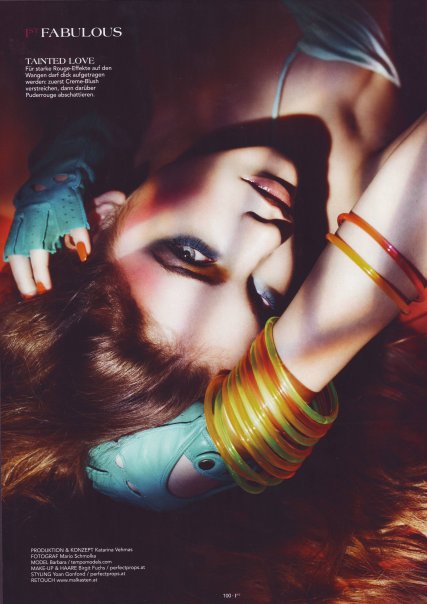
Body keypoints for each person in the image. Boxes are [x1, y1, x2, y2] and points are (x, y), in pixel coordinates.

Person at [1, 1, 426, 601]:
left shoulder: (49, 167)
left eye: (191, 254)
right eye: (266, 297)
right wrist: (280, 387)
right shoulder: (348, 198)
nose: (266, 235)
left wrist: (70, 151)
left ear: (99, 222)